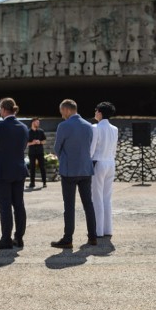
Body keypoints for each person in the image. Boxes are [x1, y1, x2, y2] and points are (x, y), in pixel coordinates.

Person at [51, 99, 97, 248]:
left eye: (61, 111)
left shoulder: (63, 126)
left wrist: (64, 159)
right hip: (85, 169)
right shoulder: (89, 126)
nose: (61, 115)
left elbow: (57, 148)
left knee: (69, 206)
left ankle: (68, 238)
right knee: (88, 204)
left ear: (67, 110)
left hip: (69, 171)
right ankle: (92, 237)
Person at [0, 97, 28, 249]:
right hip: (19, 170)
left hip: (2, 171)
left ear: (3, 109)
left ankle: (6, 239)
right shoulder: (23, 127)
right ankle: (19, 238)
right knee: (19, 205)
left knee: (5, 207)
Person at [90, 101, 119, 238]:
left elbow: (91, 149)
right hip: (110, 162)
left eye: (96, 111)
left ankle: (98, 230)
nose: (95, 113)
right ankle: (108, 229)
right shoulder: (115, 129)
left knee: (97, 198)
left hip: (98, 162)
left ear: (100, 113)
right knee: (107, 197)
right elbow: (114, 150)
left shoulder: (95, 127)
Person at [27, 117, 48, 189]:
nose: (38, 123)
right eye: (37, 122)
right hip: (32, 152)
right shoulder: (28, 132)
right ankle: (32, 183)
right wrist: (32, 143)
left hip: (40, 152)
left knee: (42, 167)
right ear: (33, 122)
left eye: (39, 122)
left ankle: (44, 182)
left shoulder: (41, 131)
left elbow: (45, 141)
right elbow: (26, 143)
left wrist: (40, 142)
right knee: (32, 168)